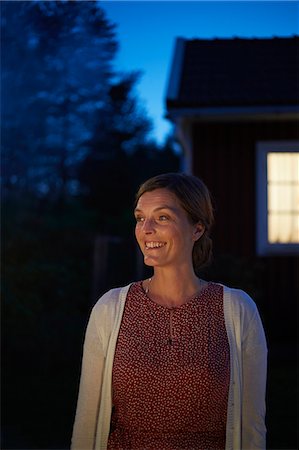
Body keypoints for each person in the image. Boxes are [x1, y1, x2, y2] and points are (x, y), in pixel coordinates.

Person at [71, 172, 267, 450]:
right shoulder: (111, 308)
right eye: (140, 218)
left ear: (196, 229)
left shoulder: (236, 310)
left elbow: (253, 427)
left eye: (162, 217)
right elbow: (86, 421)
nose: (146, 229)